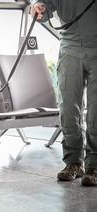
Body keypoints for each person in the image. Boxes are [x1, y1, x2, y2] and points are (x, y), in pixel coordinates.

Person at [30, 0, 97, 185]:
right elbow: (45, 7)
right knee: (68, 109)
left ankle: (95, 165)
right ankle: (73, 163)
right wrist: (38, 7)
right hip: (70, 48)